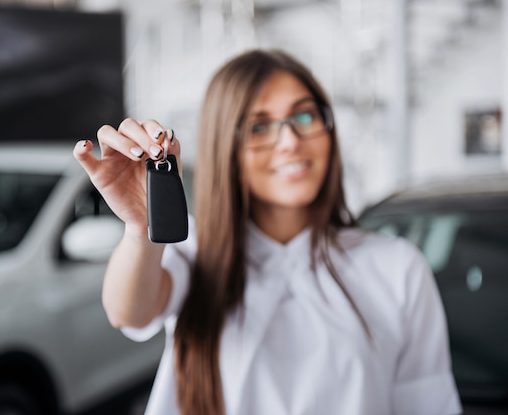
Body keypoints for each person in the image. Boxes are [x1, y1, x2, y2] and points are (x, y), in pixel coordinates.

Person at [73, 49, 461, 415]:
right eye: (259, 126)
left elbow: (428, 403)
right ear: (225, 148)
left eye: (305, 116)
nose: (290, 141)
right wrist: (143, 228)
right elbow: (130, 312)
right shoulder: (193, 249)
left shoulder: (397, 267)